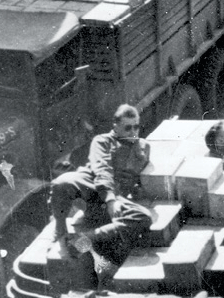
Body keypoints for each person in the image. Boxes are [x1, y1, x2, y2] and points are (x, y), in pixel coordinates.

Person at [49, 104, 153, 279]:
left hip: (115, 196)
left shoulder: (143, 146)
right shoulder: (102, 141)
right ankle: (60, 230)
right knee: (61, 183)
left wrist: (135, 191)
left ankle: (82, 240)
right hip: (92, 186)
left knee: (143, 217)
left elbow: (138, 176)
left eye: (136, 127)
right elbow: (102, 170)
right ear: (115, 127)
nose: (133, 131)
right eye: (128, 128)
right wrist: (110, 199)